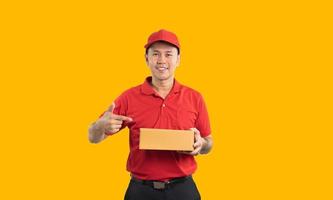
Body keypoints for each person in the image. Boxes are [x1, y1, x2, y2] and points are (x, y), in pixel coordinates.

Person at [88, 29, 213, 200]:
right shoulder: (129, 97)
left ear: (179, 60)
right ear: (147, 59)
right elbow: (93, 137)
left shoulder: (195, 97)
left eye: (168, 54)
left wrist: (201, 144)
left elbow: (209, 143)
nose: (162, 60)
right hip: (141, 191)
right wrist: (100, 126)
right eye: (155, 54)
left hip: (183, 190)